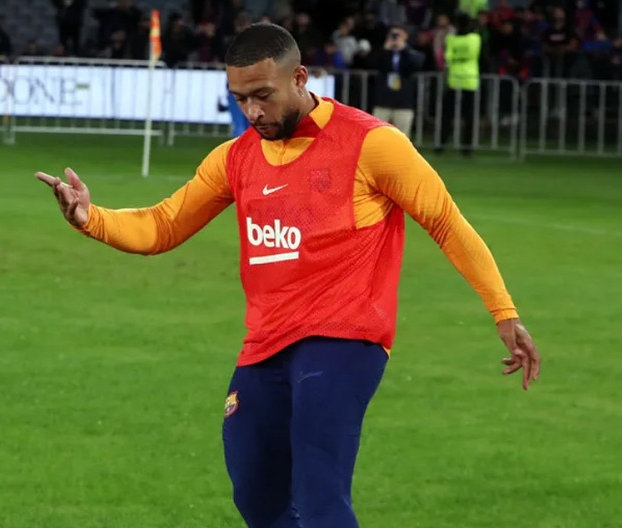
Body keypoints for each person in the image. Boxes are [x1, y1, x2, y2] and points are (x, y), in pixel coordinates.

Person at [34, 22, 540, 528]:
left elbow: (446, 222)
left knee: (320, 498)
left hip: (346, 338)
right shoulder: (236, 158)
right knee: (258, 497)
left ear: (299, 77)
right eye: (240, 99)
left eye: (263, 96)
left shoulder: (372, 144)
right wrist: (89, 218)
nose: (252, 112)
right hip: (267, 343)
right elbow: (163, 225)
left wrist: (503, 310)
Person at [437, 14, 482, 155]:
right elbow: (473, 55)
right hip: (470, 80)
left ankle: (441, 144)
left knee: (447, 115)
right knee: (469, 116)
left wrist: (456, 57)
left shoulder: (451, 39)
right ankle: (466, 148)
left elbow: (448, 57)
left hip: (454, 79)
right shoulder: (475, 39)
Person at [372, 25, 425, 138]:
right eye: (393, 35)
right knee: (377, 135)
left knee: (402, 137)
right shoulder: (383, 53)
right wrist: (385, 49)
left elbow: (417, 64)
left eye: (398, 35)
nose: (395, 38)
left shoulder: (411, 53)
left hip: (403, 102)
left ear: (405, 36)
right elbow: (372, 63)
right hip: (383, 101)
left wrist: (404, 49)